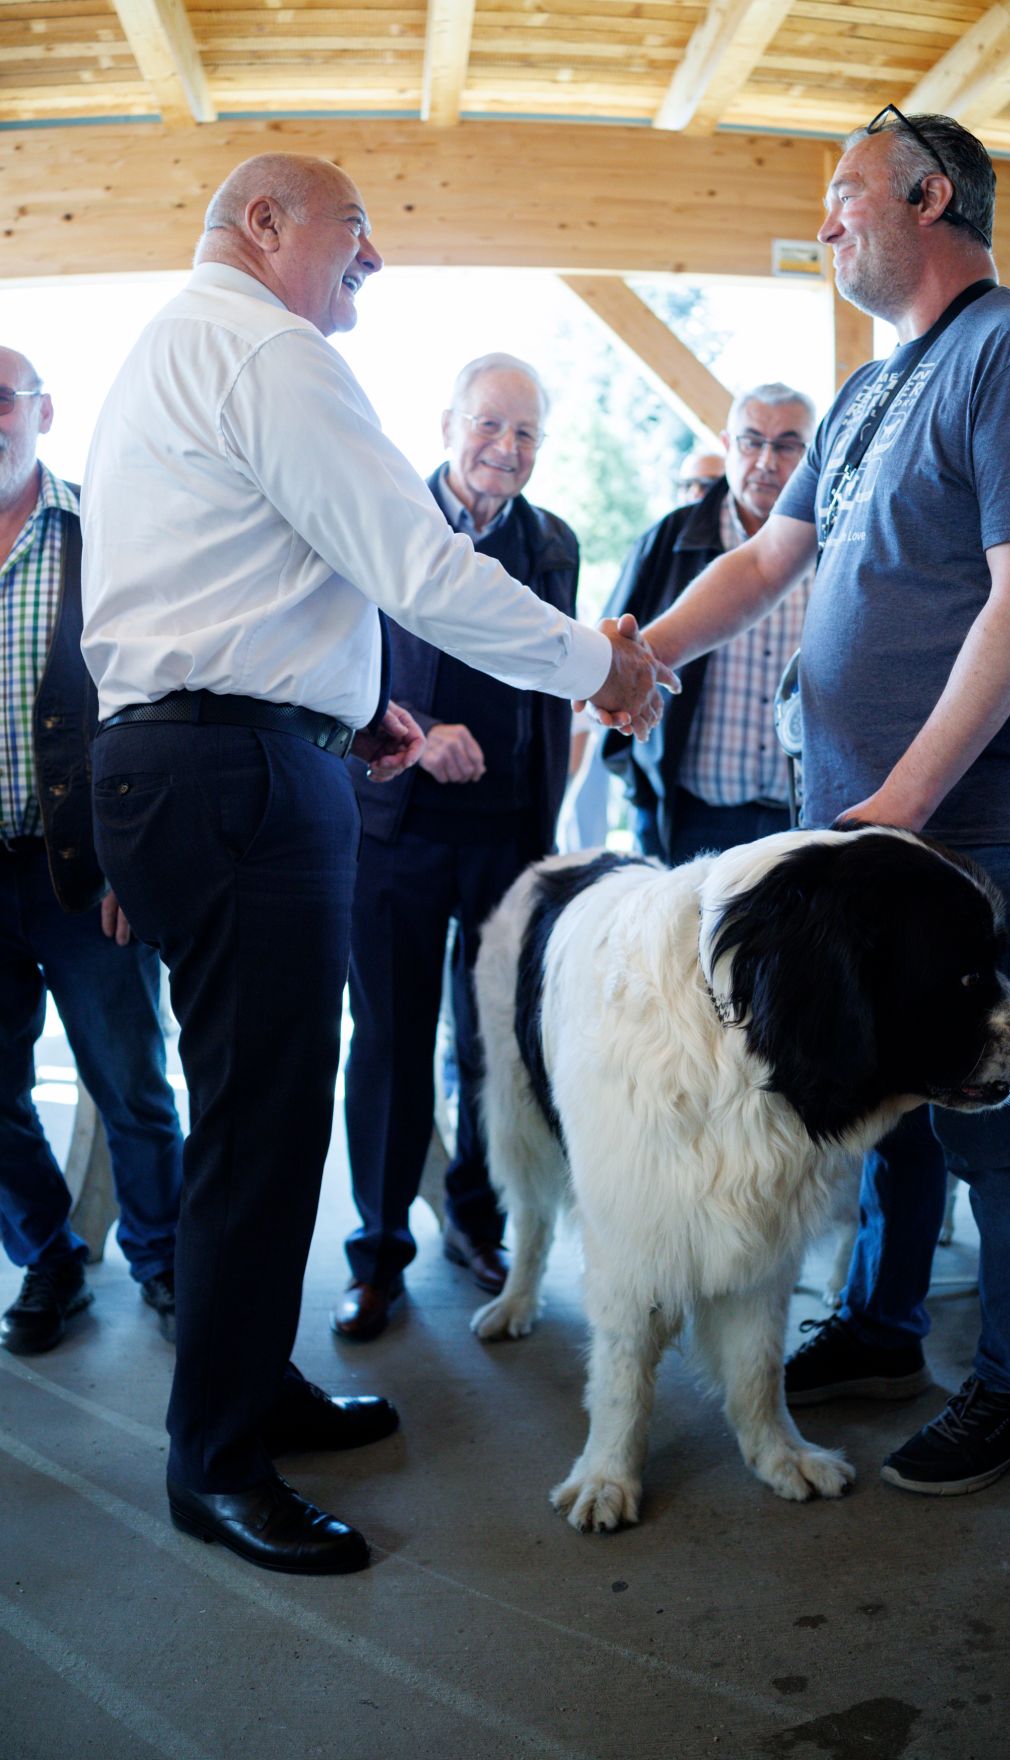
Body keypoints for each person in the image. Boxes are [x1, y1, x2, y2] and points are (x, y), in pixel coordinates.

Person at [80, 152, 674, 1577]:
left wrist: (352, 712)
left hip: (225, 762)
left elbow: (237, 589)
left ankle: (249, 1388)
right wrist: (604, 663)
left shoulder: (183, 352)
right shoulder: (263, 348)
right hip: (230, 780)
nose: (374, 260)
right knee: (260, 1129)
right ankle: (215, 1459)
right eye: (356, 228)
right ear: (266, 223)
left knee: (262, 1119)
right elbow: (417, 565)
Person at [634, 109, 1010, 1495]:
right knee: (891, 1087)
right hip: (872, 830)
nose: (828, 220)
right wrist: (638, 657)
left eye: (844, 194)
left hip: (968, 827)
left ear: (931, 192)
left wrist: (899, 803)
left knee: (996, 1114)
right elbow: (771, 562)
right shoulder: (859, 397)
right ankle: (889, 1325)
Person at [335, 354, 579, 1340]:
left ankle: (474, 1226)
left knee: (490, 1050)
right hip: (393, 830)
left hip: (508, 840)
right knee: (390, 1044)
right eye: (490, 426)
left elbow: (553, 669)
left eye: (525, 433)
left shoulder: (551, 541)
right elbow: (338, 657)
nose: (506, 449)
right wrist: (419, 730)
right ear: (447, 424)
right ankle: (379, 1250)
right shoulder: (385, 521)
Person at [0, 347, 182, 1356]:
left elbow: (146, 702)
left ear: (42, 411)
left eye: (0, 396)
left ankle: (164, 1260)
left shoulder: (101, 533)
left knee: (131, 1080)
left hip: (84, 870)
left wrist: (133, 857)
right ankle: (49, 1255)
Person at [605, 384, 816, 864]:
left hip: (801, 818)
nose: (766, 460)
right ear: (726, 445)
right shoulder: (669, 538)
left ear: (812, 454)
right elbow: (622, 650)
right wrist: (641, 788)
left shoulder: (837, 545)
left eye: (786, 445)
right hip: (691, 815)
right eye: (751, 441)